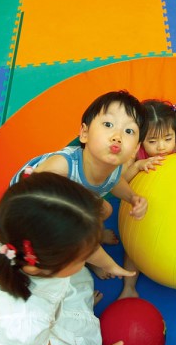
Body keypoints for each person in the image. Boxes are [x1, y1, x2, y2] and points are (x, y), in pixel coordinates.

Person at [0, 172, 136, 345]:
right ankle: (69, 317)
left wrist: (109, 265)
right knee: (78, 342)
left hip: (41, 301)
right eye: (82, 258)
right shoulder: (26, 321)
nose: (88, 257)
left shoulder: (24, 243)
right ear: (46, 267)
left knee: (72, 294)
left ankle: (72, 310)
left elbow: (83, 245)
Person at [10, 90, 148, 278]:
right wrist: (106, 262)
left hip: (76, 200)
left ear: (135, 149)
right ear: (84, 133)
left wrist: (132, 198)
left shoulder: (115, 167)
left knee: (105, 210)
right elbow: (30, 198)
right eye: (108, 124)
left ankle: (93, 241)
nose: (117, 136)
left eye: (129, 131)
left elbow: (114, 182)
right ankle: (89, 255)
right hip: (36, 202)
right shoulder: (62, 167)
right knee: (66, 243)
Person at [118, 99, 176, 299]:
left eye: (167, 138)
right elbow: (121, 181)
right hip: (145, 204)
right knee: (134, 242)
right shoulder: (135, 152)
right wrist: (137, 166)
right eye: (152, 141)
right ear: (140, 138)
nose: (162, 146)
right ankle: (129, 287)